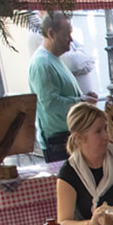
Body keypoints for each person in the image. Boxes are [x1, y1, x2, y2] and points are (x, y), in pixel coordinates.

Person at [29, 12, 98, 162]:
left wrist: (83, 98)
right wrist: (81, 101)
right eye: (66, 35)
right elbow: (51, 103)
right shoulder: (43, 63)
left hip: (69, 137)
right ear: (51, 34)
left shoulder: (54, 60)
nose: (71, 40)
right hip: (58, 142)